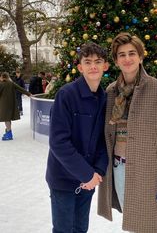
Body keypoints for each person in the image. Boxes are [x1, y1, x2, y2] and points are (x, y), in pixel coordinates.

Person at [98, 32, 157, 233]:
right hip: (118, 167)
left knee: (150, 224)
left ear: (141, 56)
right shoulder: (110, 92)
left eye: (132, 53)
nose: (127, 59)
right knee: (131, 218)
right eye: (121, 54)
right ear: (116, 61)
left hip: (149, 171)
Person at [45, 42, 109, 233]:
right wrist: (86, 174)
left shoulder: (104, 98)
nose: (93, 66)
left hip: (89, 180)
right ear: (80, 67)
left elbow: (103, 140)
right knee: (64, 230)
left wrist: (96, 172)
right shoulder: (66, 94)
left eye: (98, 62)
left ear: (105, 66)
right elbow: (58, 142)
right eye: (87, 62)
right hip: (64, 180)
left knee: (81, 229)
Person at [0, 72, 31, 140]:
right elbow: (20, 88)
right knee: (8, 118)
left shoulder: (1, 84)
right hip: (11, 103)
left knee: (6, 118)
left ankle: (9, 133)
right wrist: (29, 94)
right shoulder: (11, 83)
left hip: (4, 104)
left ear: (2, 77)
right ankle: (8, 131)